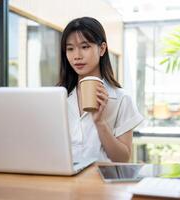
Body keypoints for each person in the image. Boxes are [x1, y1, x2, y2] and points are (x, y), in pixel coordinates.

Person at [57, 17, 143, 162]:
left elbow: (122, 159)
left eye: (85, 47)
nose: (76, 56)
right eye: (70, 48)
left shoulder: (122, 99)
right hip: (65, 182)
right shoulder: (58, 97)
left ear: (102, 49)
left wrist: (100, 122)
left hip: (102, 183)